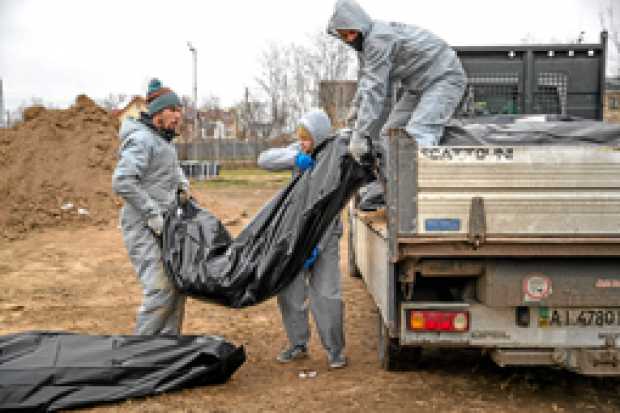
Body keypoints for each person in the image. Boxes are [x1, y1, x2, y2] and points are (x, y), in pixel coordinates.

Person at [327, 0, 467, 208]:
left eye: (351, 33)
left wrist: (359, 135)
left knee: (418, 135)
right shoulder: (365, 46)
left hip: (443, 79)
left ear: (360, 26)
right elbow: (367, 81)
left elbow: (376, 91)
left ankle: (419, 202)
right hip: (418, 86)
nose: (349, 39)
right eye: (344, 36)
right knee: (389, 134)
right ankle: (391, 190)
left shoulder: (378, 39)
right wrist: (355, 111)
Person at [257, 109, 347, 369]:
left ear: (319, 137)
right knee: (290, 293)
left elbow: (330, 208)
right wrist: (294, 157)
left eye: (307, 138)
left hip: (324, 236)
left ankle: (335, 350)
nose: (304, 143)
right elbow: (264, 159)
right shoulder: (301, 151)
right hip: (295, 234)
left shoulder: (335, 158)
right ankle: (298, 344)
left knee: (327, 295)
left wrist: (315, 246)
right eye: (301, 138)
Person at [112, 78, 189, 335]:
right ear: (158, 113)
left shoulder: (163, 140)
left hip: (164, 224)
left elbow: (170, 168)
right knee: (161, 288)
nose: (178, 116)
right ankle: (137, 356)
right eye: (173, 110)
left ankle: (167, 352)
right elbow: (123, 181)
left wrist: (181, 185)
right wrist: (151, 213)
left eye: (180, 110)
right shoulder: (141, 140)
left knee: (178, 285)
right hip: (142, 226)